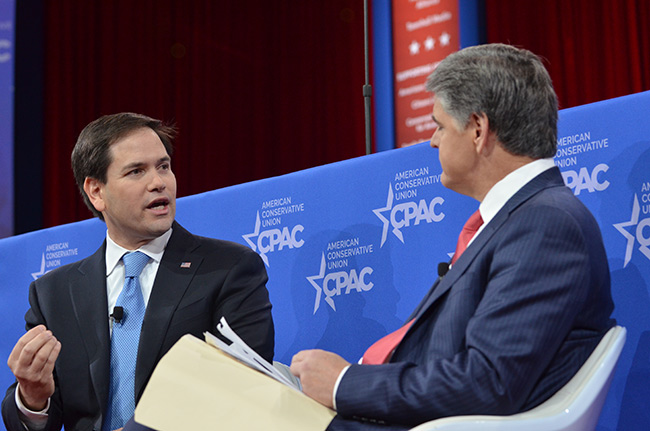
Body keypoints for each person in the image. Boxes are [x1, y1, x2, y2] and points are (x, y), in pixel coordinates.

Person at [290, 43, 615, 430]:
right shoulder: (520, 221)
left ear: (478, 130)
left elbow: (488, 381)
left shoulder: (546, 224)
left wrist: (344, 383)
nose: (432, 141)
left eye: (440, 126)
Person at [2, 113, 275, 431]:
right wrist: (33, 397)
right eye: (136, 171)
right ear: (96, 192)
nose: (159, 182)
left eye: (164, 166)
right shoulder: (54, 293)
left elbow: (244, 387)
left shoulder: (228, 268)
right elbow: (33, 419)